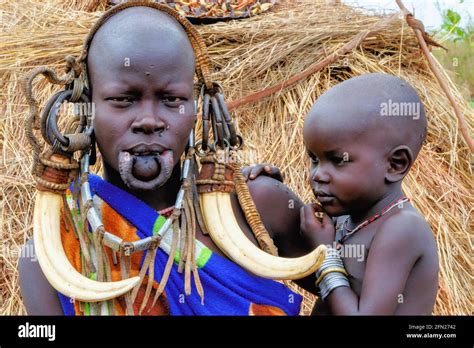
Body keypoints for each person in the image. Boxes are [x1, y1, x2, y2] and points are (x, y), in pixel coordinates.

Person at [18, 3, 317, 316]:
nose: (149, 120)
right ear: (86, 106)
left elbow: (361, 300)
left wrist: (334, 264)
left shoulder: (258, 205)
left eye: (172, 99)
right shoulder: (52, 253)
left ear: (198, 106)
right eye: (123, 99)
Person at [246, 73, 439, 315]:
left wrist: (325, 253)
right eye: (314, 159)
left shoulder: (402, 229)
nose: (318, 175)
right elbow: (321, 281)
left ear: (395, 164)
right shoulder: (345, 220)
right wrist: (264, 191)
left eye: (337, 160)